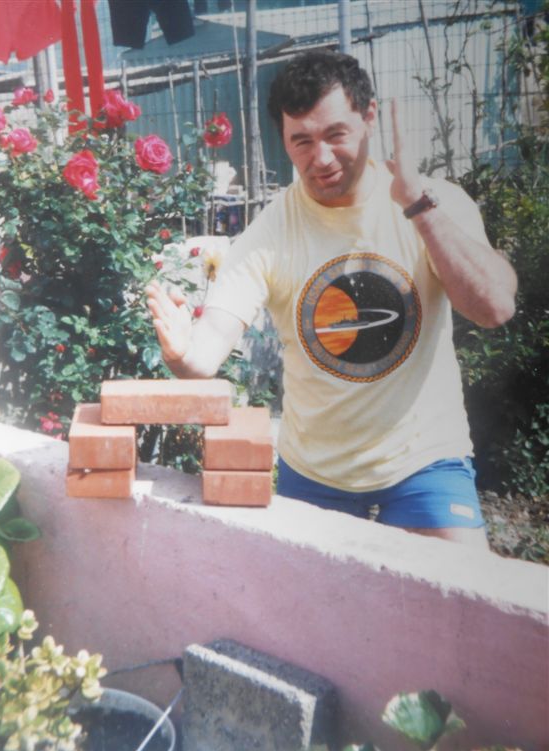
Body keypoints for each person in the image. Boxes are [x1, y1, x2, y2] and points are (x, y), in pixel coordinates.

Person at [146, 50, 517, 548]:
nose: (320, 158)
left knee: (459, 594)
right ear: (284, 140)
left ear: (369, 118)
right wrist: (183, 353)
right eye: (301, 141)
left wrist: (418, 208)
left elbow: (495, 308)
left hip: (426, 462)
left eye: (335, 135)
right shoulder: (271, 231)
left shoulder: (433, 201)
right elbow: (209, 344)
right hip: (316, 474)